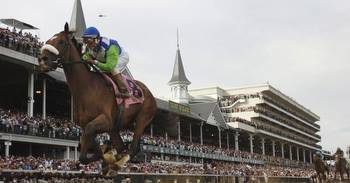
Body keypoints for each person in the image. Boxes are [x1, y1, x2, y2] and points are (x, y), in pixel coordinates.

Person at [81, 26, 130, 97]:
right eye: (86, 42)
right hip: (105, 58)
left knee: (113, 69)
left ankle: (124, 90)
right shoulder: (90, 46)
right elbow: (86, 56)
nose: (88, 45)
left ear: (96, 39)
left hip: (120, 57)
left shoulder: (110, 47)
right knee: (98, 71)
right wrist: (85, 58)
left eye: (89, 42)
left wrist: (95, 62)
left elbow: (109, 67)